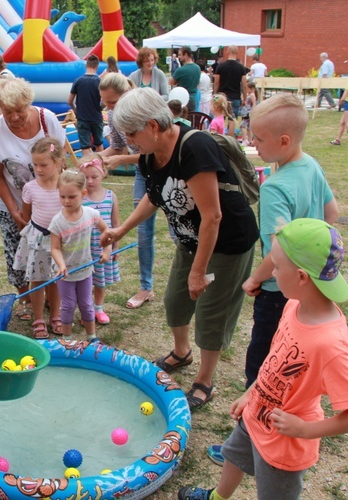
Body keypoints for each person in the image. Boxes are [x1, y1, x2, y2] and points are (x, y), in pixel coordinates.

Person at [178, 218, 348, 500]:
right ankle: (217, 497)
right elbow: (277, 359)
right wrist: (251, 393)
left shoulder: (328, 344)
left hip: (285, 439)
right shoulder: (294, 306)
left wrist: (306, 429)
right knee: (234, 455)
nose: (271, 272)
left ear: (301, 277)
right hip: (256, 415)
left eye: (277, 267)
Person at [101, 87, 258, 410]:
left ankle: (205, 380)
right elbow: (154, 197)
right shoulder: (149, 155)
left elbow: (213, 216)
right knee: (175, 301)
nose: (129, 140)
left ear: (153, 126)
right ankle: (182, 352)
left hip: (227, 244)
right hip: (190, 240)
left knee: (211, 313)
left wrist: (199, 272)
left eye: (132, 133)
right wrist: (122, 229)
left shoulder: (194, 148)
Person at [206, 93, 340, 467]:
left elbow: (278, 248)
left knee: (262, 372)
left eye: (259, 139)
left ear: (284, 141)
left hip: (277, 290)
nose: (253, 144)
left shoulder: (274, 187)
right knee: (291, 369)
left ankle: (247, 447)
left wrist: (254, 280)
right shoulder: (311, 165)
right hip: (308, 286)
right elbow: (332, 213)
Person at [0, 76, 66, 322]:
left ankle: (53, 300)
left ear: (29, 103)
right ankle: (26, 299)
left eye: (19, 110)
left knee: (51, 253)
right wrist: (15, 211)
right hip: (10, 203)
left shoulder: (47, 121)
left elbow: (59, 162)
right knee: (18, 254)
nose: (14, 117)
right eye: (8, 112)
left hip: (48, 205)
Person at [98, 73, 156, 310]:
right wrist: (96, 157)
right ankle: (146, 287)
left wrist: (122, 158)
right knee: (143, 230)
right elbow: (117, 146)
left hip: (160, 167)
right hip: (143, 171)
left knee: (177, 232)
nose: (108, 108)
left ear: (126, 94)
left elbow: (153, 151)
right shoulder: (113, 115)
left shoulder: (142, 111)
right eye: (105, 103)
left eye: (112, 102)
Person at [50, 169, 110, 341]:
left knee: (86, 304)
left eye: (71, 197)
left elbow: (106, 231)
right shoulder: (57, 222)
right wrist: (61, 265)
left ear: (83, 194)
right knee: (68, 305)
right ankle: (67, 339)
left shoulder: (91, 214)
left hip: (85, 270)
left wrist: (107, 250)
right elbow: (55, 248)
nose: (66, 201)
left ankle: (92, 337)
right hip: (65, 273)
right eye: (62, 197)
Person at [13, 137, 64, 338]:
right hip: (37, 238)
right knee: (37, 279)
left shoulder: (66, 185)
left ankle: (56, 315)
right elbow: (26, 215)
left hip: (60, 241)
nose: (39, 169)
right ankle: (38, 318)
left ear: (58, 162)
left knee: (56, 280)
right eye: (35, 165)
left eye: (44, 164)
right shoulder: (30, 187)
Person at [80, 155, 119, 325]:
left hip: (104, 250)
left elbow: (116, 224)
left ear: (103, 174)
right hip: (85, 250)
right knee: (85, 283)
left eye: (94, 177)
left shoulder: (111, 196)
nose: (89, 181)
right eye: (85, 177)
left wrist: (115, 247)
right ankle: (85, 310)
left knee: (100, 282)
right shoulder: (80, 198)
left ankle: (98, 308)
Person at [69, 54, 104, 154]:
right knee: (99, 143)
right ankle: (100, 166)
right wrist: (100, 108)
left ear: (86, 66)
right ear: (97, 67)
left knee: (85, 146)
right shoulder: (100, 81)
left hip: (82, 118)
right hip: (96, 117)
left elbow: (70, 101)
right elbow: (105, 100)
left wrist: (75, 110)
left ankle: (87, 167)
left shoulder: (78, 81)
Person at [214, 45, 248, 118]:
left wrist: (215, 94)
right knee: (232, 119)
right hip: (235, 96)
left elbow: (216, 82)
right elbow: (244, 84)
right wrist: (245, 98)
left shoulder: (220, 66)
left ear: (227, 51)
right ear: (237, 52)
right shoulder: (241, 67)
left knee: (220, 117)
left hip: (222, 95)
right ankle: (231, 129)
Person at [170, 46, 201, 112]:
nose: (179, 57)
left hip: (181, 100)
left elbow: (171, 82)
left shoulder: (181, 70)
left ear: (186, 55)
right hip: (193, 99)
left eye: (180, 55)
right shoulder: (198, 68)